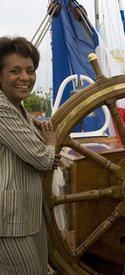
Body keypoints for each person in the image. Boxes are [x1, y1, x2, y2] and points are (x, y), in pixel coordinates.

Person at [0, 36, 60, 274]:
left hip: (27, 215)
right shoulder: (3, 109)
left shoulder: (18, 107)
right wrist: (51, 143)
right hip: (10, 221)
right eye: (15, 71)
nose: (25, 78)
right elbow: (43, 158)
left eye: (30, 70)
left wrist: (47, 145)